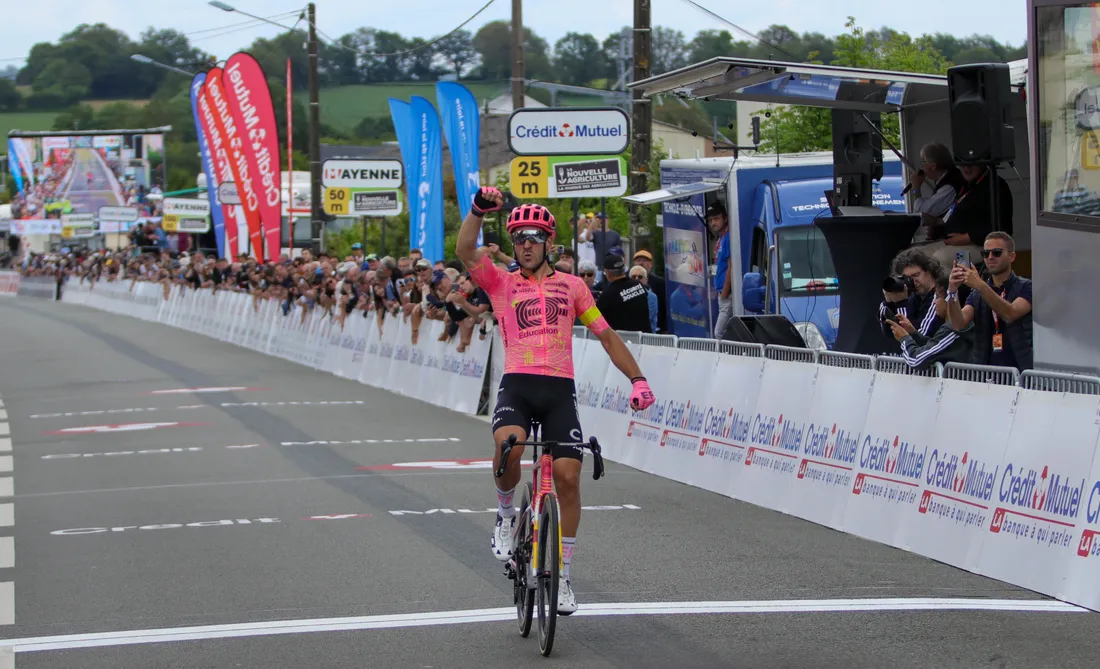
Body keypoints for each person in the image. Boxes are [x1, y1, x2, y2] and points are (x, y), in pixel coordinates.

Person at [456, 187, 656, 616]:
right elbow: (466, 250)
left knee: (568, 478)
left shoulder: (573, 287)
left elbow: (605, 335)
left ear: (548, 241)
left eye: (532, 236)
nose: (525, 244)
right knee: (507, 442)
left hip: (559, 388)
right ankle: (507, 516)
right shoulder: (501, 282)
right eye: (518, 238)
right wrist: (477, 211)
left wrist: (637, 378)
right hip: (518, 385)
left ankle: (562, 576)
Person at [597, 254, 653, 333]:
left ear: (607, 273)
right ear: (624, 269)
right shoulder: (638, 285)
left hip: (623, 343)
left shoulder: (606, 296)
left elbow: (597, 323)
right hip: (645, 340)